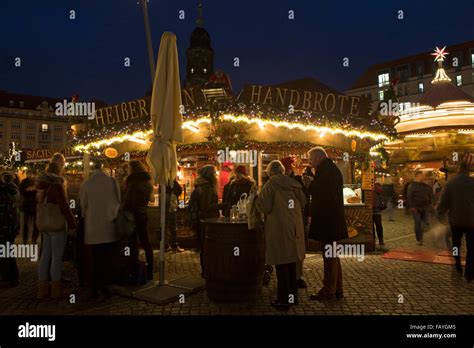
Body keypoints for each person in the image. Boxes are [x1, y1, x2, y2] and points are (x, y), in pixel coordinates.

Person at [255, 160, 306, 310]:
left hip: (279, 228)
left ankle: (284, 300)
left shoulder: (270, 185)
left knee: (281, 264)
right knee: (291, 263)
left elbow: (265, 206)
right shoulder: (294, 184)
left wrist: (257, 199)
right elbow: (303, 202)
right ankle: (293, 297)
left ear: (270, 172)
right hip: (294, 227)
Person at [307, 147, 348, 301]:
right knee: (333, 256)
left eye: (311, 159)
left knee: (329, 256)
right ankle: (337, 289)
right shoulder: (329, 169)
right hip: (331, 221)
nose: (310, 163)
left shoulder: (326, 171)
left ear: (318, 158)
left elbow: (322, 193)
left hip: (328, 222)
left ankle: (329, 291)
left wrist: (309, 184)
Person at [80, 160, 121, 299]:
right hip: (109, 225)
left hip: (93, 229)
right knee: (108, 258)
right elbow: (118, 202)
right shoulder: (112, 182)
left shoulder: (86, 184)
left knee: (96, 259)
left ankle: (95, 288)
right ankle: (106, 286)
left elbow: (83, 207)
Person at [36, 162, 76, 299]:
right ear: (59, 170)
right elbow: (64, 207)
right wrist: (72, 225)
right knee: (56, 258)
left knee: (44, 257)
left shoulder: (41, 186)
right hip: (57, 226)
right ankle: (55, 291)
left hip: (45, 226)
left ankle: (42, 291)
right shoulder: (56, 186)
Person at [437, 163, 474, 281]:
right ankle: (469, 272)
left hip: (455, 221)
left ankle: (457, 263)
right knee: (471, 247)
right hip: (471, 221)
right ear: (468, 172)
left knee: (456, 244)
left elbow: (443, 202)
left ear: (459, 170)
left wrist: (440, 214)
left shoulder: (450, 184)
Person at [281, 156, 310, 289]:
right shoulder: (277, 181)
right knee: (287, 247)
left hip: (298, 219)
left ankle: (298, 276)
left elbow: (305, 200)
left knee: (298, 247)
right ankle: (289, 276)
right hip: (285, 220)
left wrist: (307, 215)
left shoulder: (297, 180)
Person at [123, 161, 154, 280]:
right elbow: (149, 199)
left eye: (129, 168)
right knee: (146, 242)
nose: (127, 171)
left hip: (132, 216)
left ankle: (134, 269)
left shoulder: (133, 183)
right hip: (143, 214)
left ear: (133, 169)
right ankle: (150, 269)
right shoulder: (147, 182)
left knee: (132, 243)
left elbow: (129, 201)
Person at [188, 165, 219, 274]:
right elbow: (206, 207)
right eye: (214, 173)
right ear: (210, 175)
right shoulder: (207, 187)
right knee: (207, 247)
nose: (216, 175)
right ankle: (207, 271)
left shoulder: (201, 185)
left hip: (201, 221)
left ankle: (206, 270)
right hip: (206, 222)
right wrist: (220, 206)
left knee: (204, 246)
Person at [0, 168, 20, 288]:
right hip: (10, 226)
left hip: (3, 226)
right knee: (8, 252)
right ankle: (13, 277)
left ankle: (7, 279)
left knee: (3, 253)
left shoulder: (3, 191)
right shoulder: (11, 189)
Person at [407, 171, 434, 246]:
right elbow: (409, 197)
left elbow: (431, 195)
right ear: (417, 176)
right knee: (418, 222)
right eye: (421, 176)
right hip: (416, 208)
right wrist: (411, 207)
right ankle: (419, 239)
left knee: (425, 222)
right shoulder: (412, 186)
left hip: (425, 207)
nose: (423, 177)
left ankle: (421, 235)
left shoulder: (426, 186)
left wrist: (431, 203)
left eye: (423, 176)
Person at [160, 177, 184, 252]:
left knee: (165, 226)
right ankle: (173, 245)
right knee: (171, 226)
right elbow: (179, 190)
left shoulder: (163, 182)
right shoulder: (171, 182)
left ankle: (166, 245)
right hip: (171, 206)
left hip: (167, 206)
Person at [19, 170, 39, 244]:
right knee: (25, 223)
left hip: (34, 204)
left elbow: (39, 190)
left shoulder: (37, 182)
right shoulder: (24, 181)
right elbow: (21, 190)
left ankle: (34, 239)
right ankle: (25, 239)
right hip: (26, 204)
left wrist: (30, 189)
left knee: (35, 223)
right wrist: (29, 189)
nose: (30, 176)